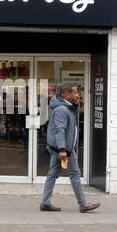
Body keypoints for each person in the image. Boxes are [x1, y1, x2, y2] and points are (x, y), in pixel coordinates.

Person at [40, 82, 100, 213]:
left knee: (52, 174)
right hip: (62, 149)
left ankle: (45, 203)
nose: (77, 95)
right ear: (65, 95)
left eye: (78, 92)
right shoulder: (62, 110)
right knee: (75, 174)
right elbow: (59, 130)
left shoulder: (67, 107)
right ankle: (83, 204)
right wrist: (62, 150)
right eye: (74, 93)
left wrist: (77, 103)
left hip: (60, 147)